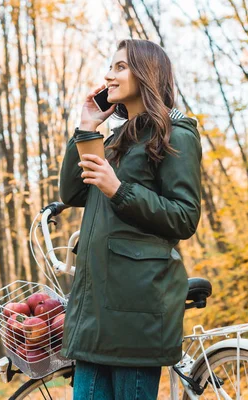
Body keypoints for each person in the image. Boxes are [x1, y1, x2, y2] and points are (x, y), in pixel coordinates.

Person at [58, 39, 202, 400]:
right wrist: (87, 128)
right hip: (94, 310)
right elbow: (73, 193)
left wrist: (119, 190)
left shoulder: (176, 133)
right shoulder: (116, 138)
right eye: (111, 66)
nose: (108, 75)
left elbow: (184, 217)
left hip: (137, 310)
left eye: (120, 66)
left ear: (147, 72)